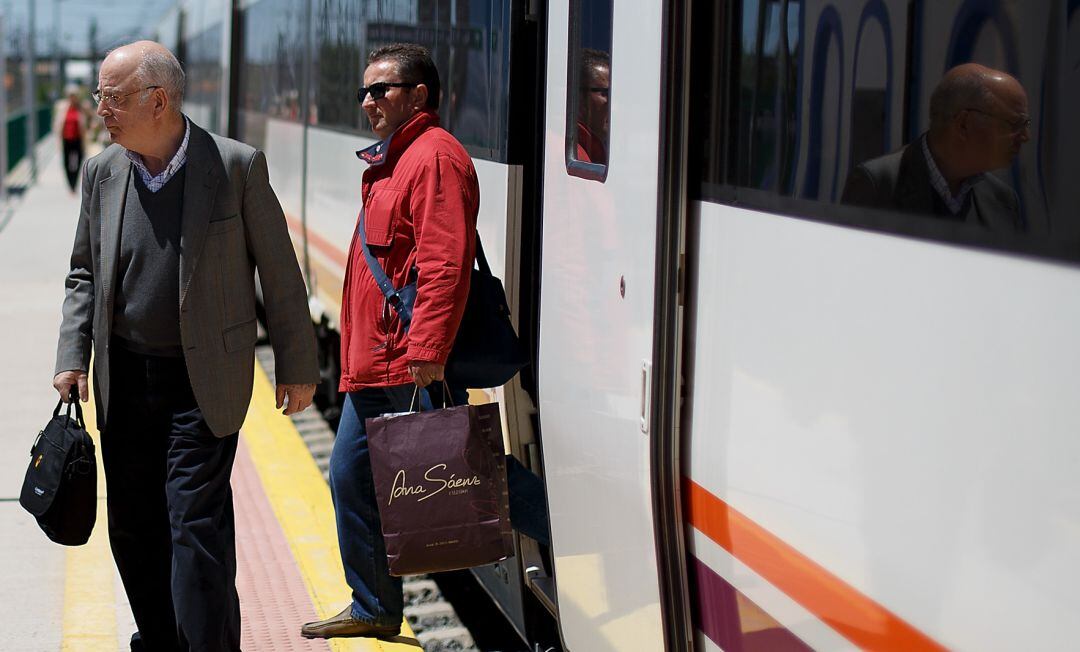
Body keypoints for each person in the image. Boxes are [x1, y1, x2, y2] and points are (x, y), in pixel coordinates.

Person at [52, 41, 319, 652]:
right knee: (133, 528)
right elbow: (83, 274)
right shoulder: (102, 172)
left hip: (203, 385)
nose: (102, 110)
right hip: (126, 378)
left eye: (113, 98)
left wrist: (297, 365)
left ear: (159, 99)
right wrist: (72, 355)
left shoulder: (234, 167)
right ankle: (160, 639)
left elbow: (279, 273)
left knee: (194, 530)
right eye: (100, 97)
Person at [841, 63, 1030, 232]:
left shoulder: (1003, 200)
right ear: (964, 124)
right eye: (1014, 124)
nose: (1025, 137)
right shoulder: (878, 185)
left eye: (1025, 125)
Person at [575, 48, 610, 165]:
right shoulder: (576, 157)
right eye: (605, 93)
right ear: (578, 98)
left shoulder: (594, 153)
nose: (612, 105)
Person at [54, 84, 91, 192]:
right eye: (70, 95)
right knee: (67, 163)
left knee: (78, 161)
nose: (72, 97)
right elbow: (57, 123)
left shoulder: (82, 107)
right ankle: (70, 184)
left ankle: (75, 182)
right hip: (66, 139)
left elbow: (91, 117)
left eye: (74, 95)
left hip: (79, 139)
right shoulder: (61, 107)